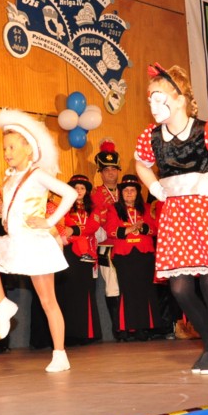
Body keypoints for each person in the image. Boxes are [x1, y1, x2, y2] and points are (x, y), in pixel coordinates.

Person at [134, 62, 208, 375]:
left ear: (178, 99)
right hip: (175, 214)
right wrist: (155, 188)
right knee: (180, 289)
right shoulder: (151, 136)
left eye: (158, 97)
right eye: (149, 99)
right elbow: (140, 165)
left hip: (206, 211)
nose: (152, 105)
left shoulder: (206, 129)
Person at [0, 109, 78, 372]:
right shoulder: (9, 178)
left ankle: (60, 354)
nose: (7, 153)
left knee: (48, 301)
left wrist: (50, 222)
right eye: (4, 148)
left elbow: (70, 194)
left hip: (34, 243)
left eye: (12, 147)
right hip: (14, 239)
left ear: (28, 149)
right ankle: (3, 304)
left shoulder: (37, 173)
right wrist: (5, 217)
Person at [104, 174, 160, 341]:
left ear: (138, 193)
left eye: (132, 190)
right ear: (121, 193)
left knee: (144, 290)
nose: (129, 193)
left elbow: (155, 229)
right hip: (124, 255)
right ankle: (126, 328)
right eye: (126, 190)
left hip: (144, 254)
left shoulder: (147, 207)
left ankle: (143, 328)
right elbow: (110, 230)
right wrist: (130, 229)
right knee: (127, 291)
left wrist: (141, 229)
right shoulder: (114, 209)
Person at [55, 174, 102, 345]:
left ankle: (86, 333)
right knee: (68, 292)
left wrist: (74, 230)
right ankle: (69, 334)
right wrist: (70, 230)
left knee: (85, 292)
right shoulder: (63, 207)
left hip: (87, 253)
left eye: (82, 188)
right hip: (68, 251)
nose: (79, 191)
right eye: (76, 188)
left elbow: (93, 226)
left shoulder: (93, 209)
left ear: (87, 191)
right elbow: (60, 225)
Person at [91, 139, 122, 339]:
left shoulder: (128, 191)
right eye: (106, 170)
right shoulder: (95, 194)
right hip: (105, 246)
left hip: (126, 244)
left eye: (114, 169)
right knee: (112, 286)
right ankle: (116, 328)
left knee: (126, 284)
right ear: (100, 173)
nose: (111, 173)